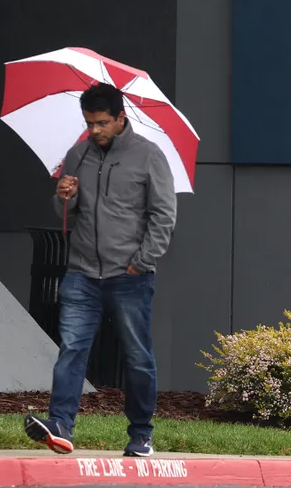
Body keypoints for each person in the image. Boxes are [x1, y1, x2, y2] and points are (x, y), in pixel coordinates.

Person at [24, 83, 177, 458]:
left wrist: (141, 261)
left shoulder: (149, 156)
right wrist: (64, 195)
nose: (95, 131)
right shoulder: (78, 155)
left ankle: (141, 432)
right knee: (72, 349)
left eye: (102, 123)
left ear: (121, 118)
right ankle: (60, 425)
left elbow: (164, 214)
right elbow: (64, 209)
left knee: (137, 356)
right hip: (81, 273)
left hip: (130, 276)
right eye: (90, 123)